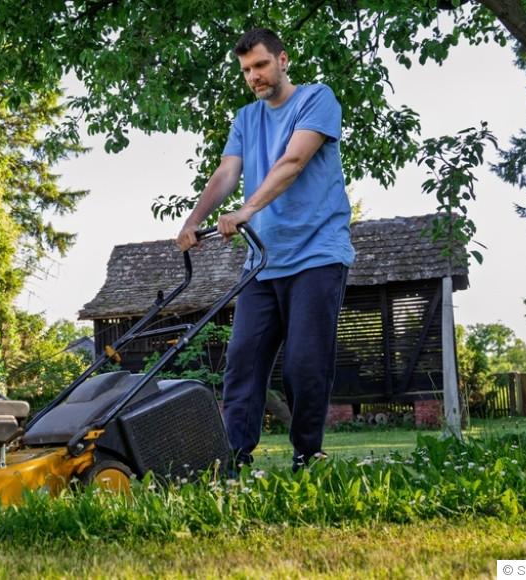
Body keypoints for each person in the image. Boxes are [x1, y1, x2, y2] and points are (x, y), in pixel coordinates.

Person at [176, 28, 355, 472]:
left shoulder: (316, 99)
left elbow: (293, 162)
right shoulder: (246, 119)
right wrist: (194, 219)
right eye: (245, 70)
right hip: (263, 262)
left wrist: (247, 210)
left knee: (303, 364)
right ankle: (231, 460)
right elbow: (226, 173)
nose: (253, 76)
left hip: (317, 255)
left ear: (282, 60)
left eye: (259, 65)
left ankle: (307, 454)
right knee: (242, 362)